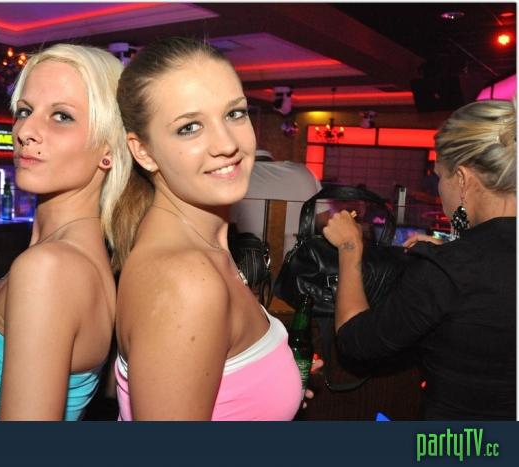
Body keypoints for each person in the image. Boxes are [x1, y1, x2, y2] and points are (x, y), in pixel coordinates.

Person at [112, 37, 317, 421]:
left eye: (235, 113)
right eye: (189, 127)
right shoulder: (186, 281)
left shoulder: (205, 247)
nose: (226, 143)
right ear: (143, 151)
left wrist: (272, 387)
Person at [0, 44, 132, 420]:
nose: (26, 131)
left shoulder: (49, 267)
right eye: (24, 111)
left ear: (109, 148)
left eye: (61, 116)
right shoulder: (61, 256)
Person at [322, 99, 516, 420]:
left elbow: (356, 341)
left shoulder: (446, 270)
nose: (439, 189)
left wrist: (349, 247)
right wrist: (450, 248)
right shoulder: (453, 263)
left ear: (462, 179)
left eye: (440, 176)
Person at [230, 148, 327, 256]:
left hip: (249, 262)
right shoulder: (305, 172)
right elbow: (325, 222)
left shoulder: (236, 177)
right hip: (300, 262)